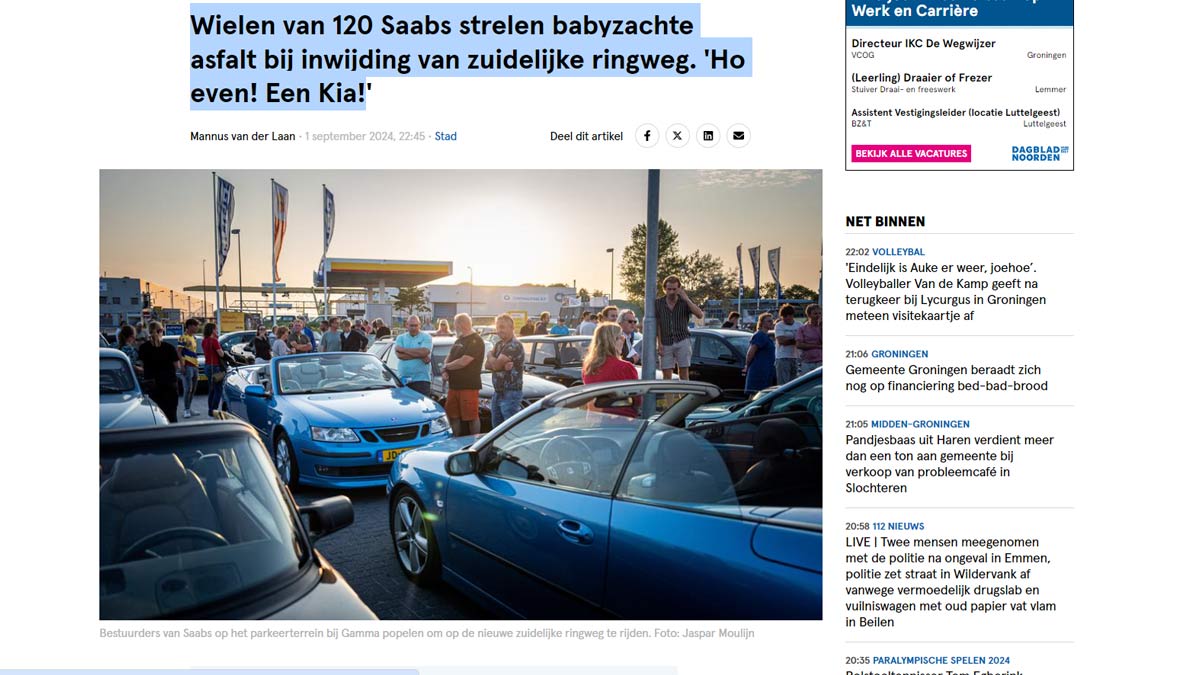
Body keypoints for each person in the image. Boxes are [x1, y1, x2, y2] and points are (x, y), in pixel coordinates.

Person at [581, 322, 639, 417]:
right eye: (621, 337)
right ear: (612, 341)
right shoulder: (625, 368)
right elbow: (637, 400)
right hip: (622, 421)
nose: (623, 340)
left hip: (594, 420)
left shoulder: (588, 367)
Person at [441, 313, 485, 436]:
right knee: (452, 416)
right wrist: (445, 370)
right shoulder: (458, 340)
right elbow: (448, 357)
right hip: (454, 386)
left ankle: (475, 443)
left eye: (455, 325)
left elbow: (464, 362)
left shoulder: (476, 340)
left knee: (471, 417)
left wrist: (446, 367)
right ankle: (456, 441)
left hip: (468, 386)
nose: (454, 327)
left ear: (461, 324)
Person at [654, 275, 704, 380]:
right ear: (664, 289)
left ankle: (683, 395)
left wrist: (687, 299)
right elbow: (657, 323)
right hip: (666, 341)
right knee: (667, 375)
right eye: (669, 289)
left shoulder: (684, 302)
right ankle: (669, 396)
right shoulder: (658, 303)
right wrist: (659, 343)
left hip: (682, 340)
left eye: (674, 289)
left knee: (684, 373)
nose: (672, 292)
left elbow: (699, 315)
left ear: (679, 289)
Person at [484, 314, 525, 427]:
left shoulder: (514, 345)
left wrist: (489, 355)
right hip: (497, 392)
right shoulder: (499, 344)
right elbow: (487, 365)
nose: (499, 330)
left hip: (510, 393)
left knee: (510, 429)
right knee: (496, 430)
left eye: (502, 327)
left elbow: (495, 365)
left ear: (511, 328)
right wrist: (499, 364)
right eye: (497, 327)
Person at [138, 321, 180, 423]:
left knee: (154, 416)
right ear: (161, 331)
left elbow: (141, 366)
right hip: (169, 383)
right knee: (171, 414)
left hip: (152, 385)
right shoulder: (169, 347)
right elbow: (177, 366)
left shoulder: (143, 348)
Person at [394, 315, 434, 396]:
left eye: (416, 325)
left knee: (422, 407)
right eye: (411, 325)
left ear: (420, 325)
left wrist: (403, 350)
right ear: (407, 325)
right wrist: (420, 355)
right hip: (403, 379)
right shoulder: (400, 338)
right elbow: (400, 356)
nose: (414, 328)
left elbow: (424, 352)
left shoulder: (426, 337)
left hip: (421, 380)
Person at [743, 313, 776, 394]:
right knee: (755, 395)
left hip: (767, 370)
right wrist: (747, 365)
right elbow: (751, 352)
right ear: (762, 323)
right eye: (769, 321)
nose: (771, 323)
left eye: (772, 321)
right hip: (759, 370)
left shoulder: (766, 336)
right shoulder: (759, 335)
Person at [201, 322, 226, 416]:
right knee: (218, 390)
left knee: (211, 389)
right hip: (215, 367)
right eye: (216, 329)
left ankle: (210, 410)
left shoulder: (204, 340)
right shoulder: (214, 341)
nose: (217, 330)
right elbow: (221, 354)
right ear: (212, 330)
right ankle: (214, 410)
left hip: (207, 366)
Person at [178, 318, 200, 418]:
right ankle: (186, 410)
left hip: (195, 365)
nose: (197, 328)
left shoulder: (194, 338)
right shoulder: (183, 337)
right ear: (190, 326)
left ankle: (189, 408)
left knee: (194, 388)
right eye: (196, 326)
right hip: (187, 366)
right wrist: (182, 365)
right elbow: (178, 351)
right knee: (188, 388)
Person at [774, 304, 800, 385]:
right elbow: (781, 341)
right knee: (783, 384)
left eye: (788, 315)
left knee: (793, 384)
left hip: (795, 357)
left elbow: (803, 339)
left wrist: (790, 340)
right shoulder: (779, 326)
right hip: (782, 357)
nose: (786, 318)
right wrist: (796, 340)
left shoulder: (799, 325)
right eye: (784, 316)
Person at [796, 303, 822, 375]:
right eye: (815, 313)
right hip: (807, 361)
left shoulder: (822, 327)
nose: (818, 315)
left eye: (820, 313)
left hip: (821, 360)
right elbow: (799, 345)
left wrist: (820, 327)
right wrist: (816, 346)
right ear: (809, 315)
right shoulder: (802, 329)